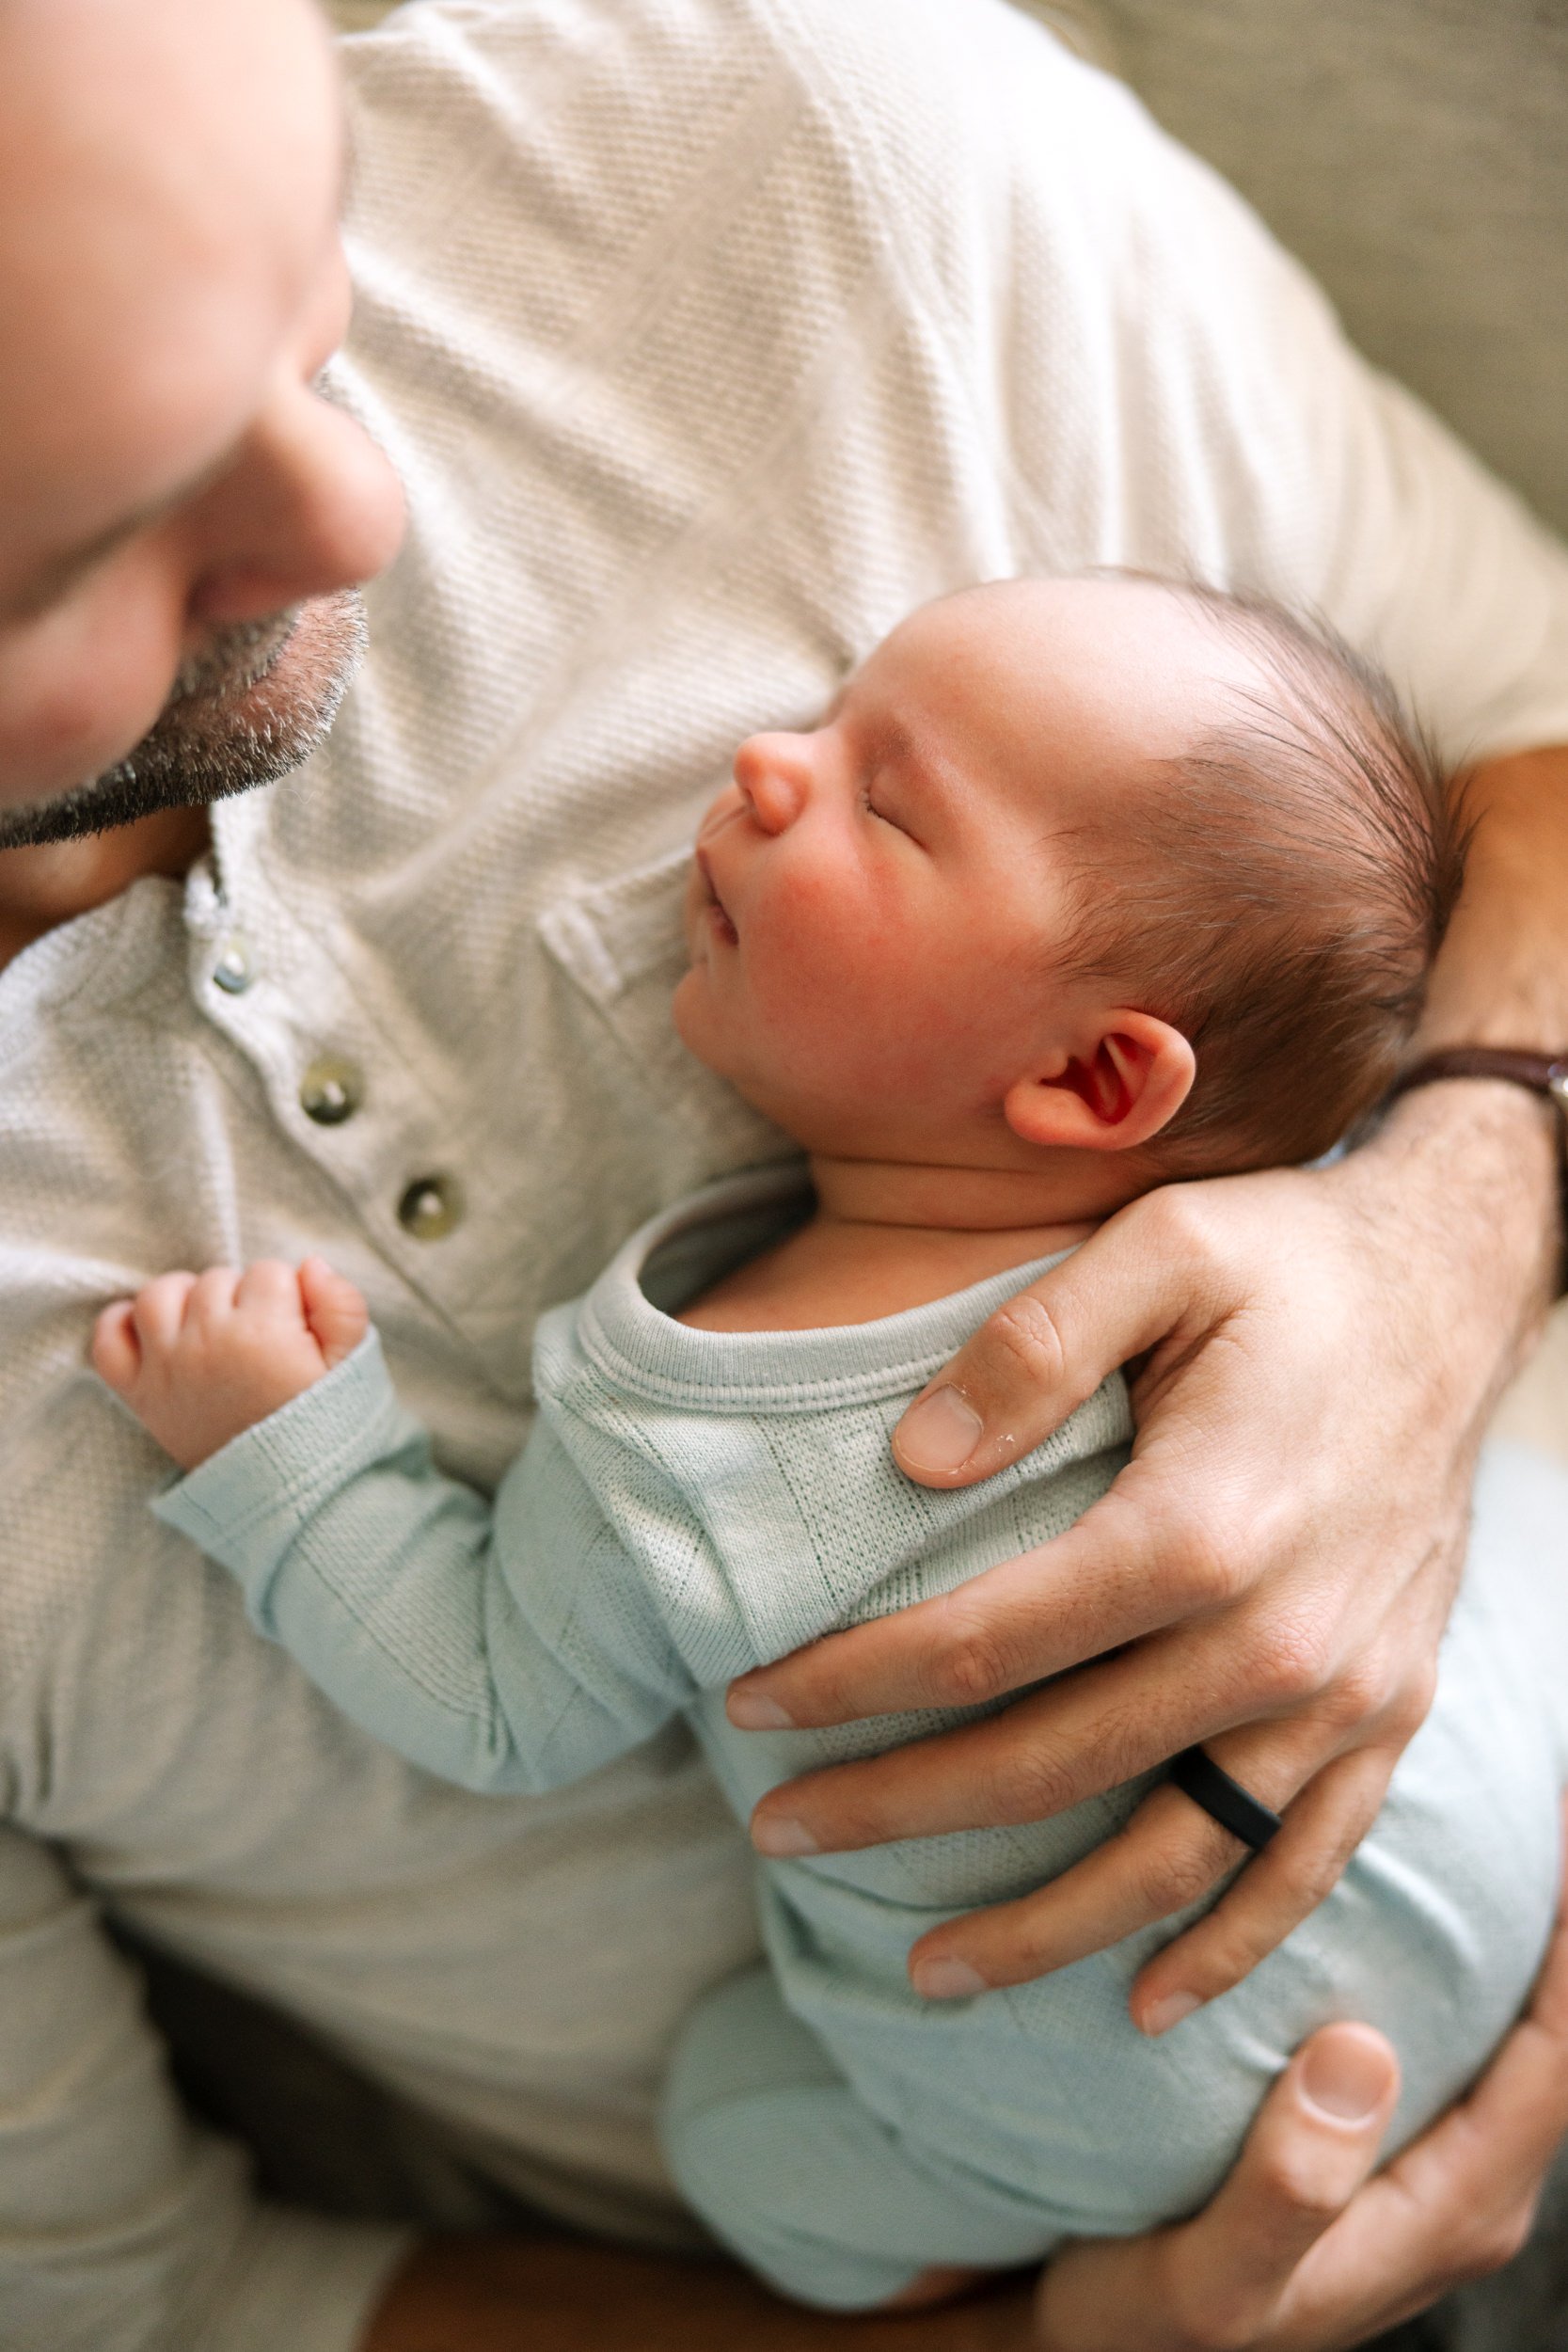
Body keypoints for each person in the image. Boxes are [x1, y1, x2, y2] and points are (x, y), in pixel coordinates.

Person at [4, 0, 1568, 2346]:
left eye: (308, 269)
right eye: (97, 531)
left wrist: (1447, 1227)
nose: (359, 512)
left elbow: (1533, 713)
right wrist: (1067, 2343)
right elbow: (161, 2300)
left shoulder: (771, 130)